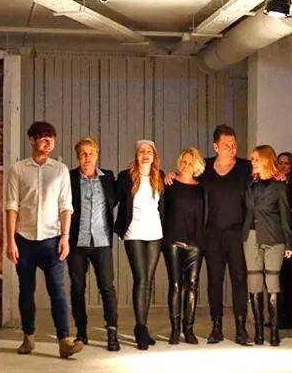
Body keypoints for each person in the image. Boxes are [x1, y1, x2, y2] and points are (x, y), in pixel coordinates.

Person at [5, 121, 82, 359]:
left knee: (58, 291)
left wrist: (65, 237)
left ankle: (64, 340)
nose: (48, 142)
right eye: (43, 137)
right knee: (26, 291)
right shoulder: (18, 169)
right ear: (32, 140)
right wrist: (10, 241)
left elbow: (66, 206)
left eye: (52, 138)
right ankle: (28, 337)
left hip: (52, 239)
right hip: (24, 239)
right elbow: (12, 206)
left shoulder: (60, 170)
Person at [197, 125, 252, 345]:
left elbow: (264, 175)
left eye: (233, 144)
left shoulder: (245, 168)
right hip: (212, 233)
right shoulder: (205, 167)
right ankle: (216, 327)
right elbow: (186, 177)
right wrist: (171, 176)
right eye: (226, 145)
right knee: (214, 280)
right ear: (216, 146)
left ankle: (241, 328)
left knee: (239, 279)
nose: (231, 148)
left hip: (237, 233)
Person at [67, 137, 120, 351]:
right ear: (77, 157)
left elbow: (118, 198)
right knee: (77, 288)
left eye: (91, 153)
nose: (87, 157)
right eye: (83, 154)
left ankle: (112, 333)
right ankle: (81, 332)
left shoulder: (108, 178)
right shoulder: (69, 178)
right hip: (76, 242)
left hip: (102, 241)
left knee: (107, 287)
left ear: (97, 155)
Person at [114, 140, 165, 350]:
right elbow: (112, 200)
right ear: (137, 155)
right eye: (142, 151)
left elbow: (163, 206)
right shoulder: (126, 177)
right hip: (133, 231)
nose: (145, 154)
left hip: (155, 232)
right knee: (141, 279)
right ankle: (141, 328)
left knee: (148, 281)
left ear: (154, 156)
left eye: (149, 151)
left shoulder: (159, 177)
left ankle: (142, 326)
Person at [243, 145, 292, 346]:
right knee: (254, 281)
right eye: (252, 159)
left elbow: (285, 215)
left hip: (274, 237)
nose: (253, 162)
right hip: (251, 235)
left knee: (272, 283)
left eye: (256, 159)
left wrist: (289, 242)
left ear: (265, 160)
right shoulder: (250, 183)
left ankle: (273, 331)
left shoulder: (279, 186)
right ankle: (258, 331)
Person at [162, 148, 206, 345]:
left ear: (196, 166)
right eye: (183, 161)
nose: (185, 165)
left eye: (190, 163)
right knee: (175, 284)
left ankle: (189, 329)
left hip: (195, 242)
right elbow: (162, 211)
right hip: (173, 240)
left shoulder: (201, 188)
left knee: (192, 285)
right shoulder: (169, 184)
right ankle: (175, 330)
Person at [277, 151, 292, 329]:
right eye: (280, 163)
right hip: (274, 232)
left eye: (287, 163)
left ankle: (286, 319)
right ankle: (275, 315)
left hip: (291, 232)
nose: (283, 166)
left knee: (286, 276)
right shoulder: (273, 182)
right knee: (274, 276)